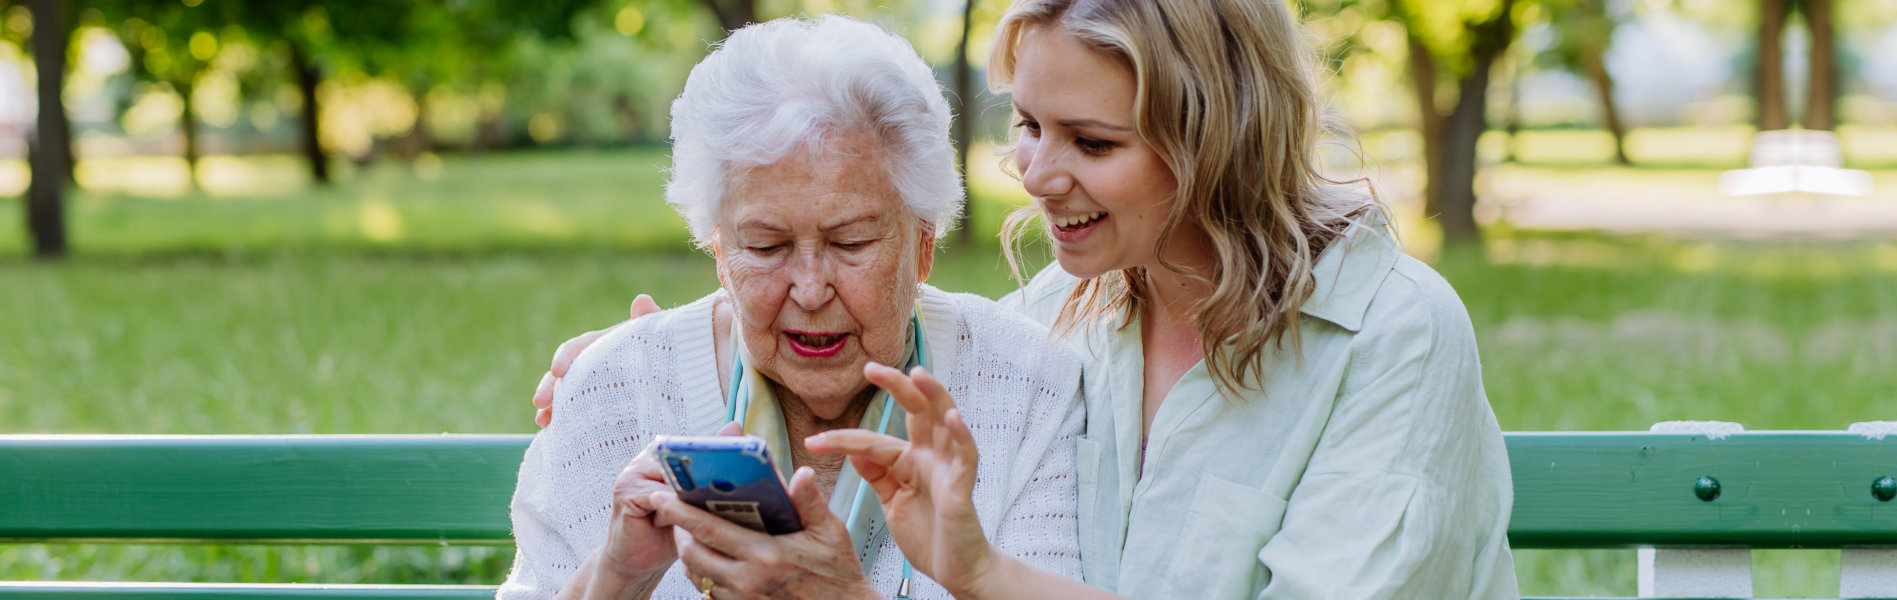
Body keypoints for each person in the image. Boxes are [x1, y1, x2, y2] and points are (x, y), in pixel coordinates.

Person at [539, 0, 1520, 597]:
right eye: (1028, 126)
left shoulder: (1390, 334)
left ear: (1219, 139)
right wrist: (661, 351)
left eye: (1092, 144)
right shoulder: (1064, 317)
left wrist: (984, 578)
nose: (1037, 174)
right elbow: (874, 305)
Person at [498, 16, 1084, 599]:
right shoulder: (613, 391)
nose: (808, 289)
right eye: (766, 246)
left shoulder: (1026, 386)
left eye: (851, 243)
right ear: (720, 253)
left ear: (923, 245)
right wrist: (617, 578)